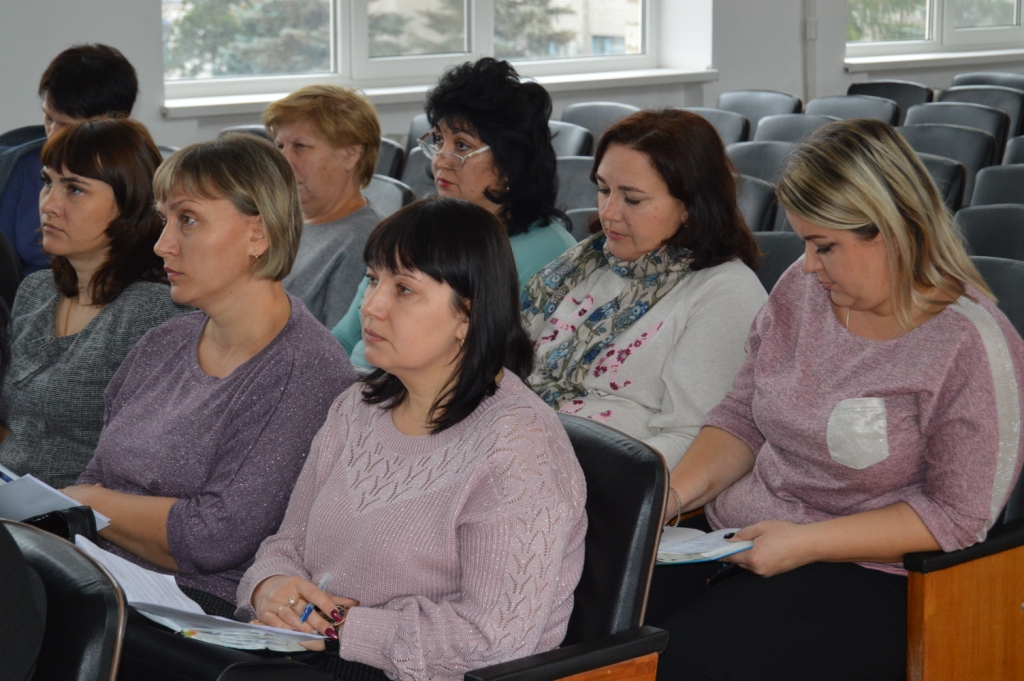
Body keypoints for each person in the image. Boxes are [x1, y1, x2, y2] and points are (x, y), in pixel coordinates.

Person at [649, 119, 1024, 681]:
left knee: (677, 664)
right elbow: (742, 418)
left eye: (825, 246)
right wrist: (670, 498)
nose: (808, 264)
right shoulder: (802, 290)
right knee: (599, 628)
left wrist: (806, 544)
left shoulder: (968, 343)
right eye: (804, 242)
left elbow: (957, 517)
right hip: (741, 538)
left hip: (872, 572)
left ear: (894, 230)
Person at [237, 198, 587, 681]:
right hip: (308, 653)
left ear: (468, 314)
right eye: (373, 279)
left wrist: (339, 626)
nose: (371, 305)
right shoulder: (356, 407)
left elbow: (493, 641)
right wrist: (270, 588)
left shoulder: (520, 449)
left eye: (403, 289)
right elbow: (287, 543)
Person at [63, 134, 358, 615]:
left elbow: (212, 538)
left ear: (258, 234)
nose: (162, 245)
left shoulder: (304, 370)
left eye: (188, 219)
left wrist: (90, 502)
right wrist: (88, 501)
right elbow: (97, 471)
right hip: (100, 575)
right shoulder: (165, 341)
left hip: (193, 610)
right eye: (165, 220)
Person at [522, 109, 766, 470]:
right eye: (603, 189)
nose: (608, 213)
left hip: (601, 479)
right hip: (521, 449)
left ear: (690, 206)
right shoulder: (585, 262)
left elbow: (696, 440)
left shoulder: (725, 292)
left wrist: (562, 475)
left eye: (632, 199)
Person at [333, 58, 576, 369]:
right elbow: (343, 338)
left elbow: (500, 368)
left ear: (509, 162)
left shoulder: (549, 254)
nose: (440, 160)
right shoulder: (420, 227)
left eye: (462, 146)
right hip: (357, 383)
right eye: (438, 140)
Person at [0, 118, 185, 488]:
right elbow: (16, 424)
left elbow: (149, 463)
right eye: (47, 182)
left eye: (75, 189)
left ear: (130, 203)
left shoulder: (153, 311)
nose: (49, 204)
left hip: (81, 513)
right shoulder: (36, 291)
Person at [0, 44, 138, 276]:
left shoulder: (137, 176)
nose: (53, 136)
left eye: (67, 126)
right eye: (48, 118)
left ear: (110, 126)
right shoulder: (20, 168)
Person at [265, 85, 385, 328]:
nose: (283, 161)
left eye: (300, 146)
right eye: (280, 147)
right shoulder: (285, 219)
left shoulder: (364, 243)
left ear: (351, 154)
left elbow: (335, 346)